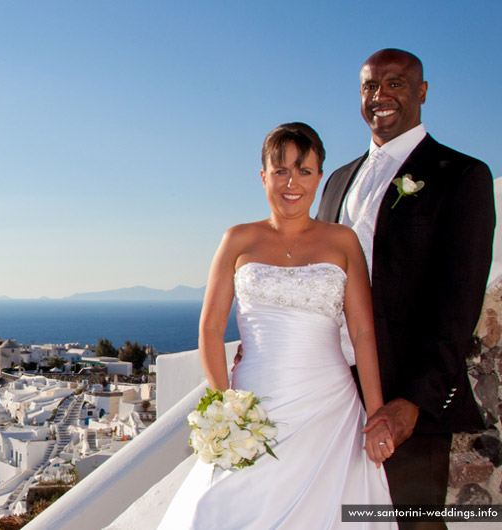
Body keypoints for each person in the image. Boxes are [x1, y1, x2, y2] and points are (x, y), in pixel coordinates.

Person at [157, 122, 395, 529]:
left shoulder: (343, 242)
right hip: (255, 403)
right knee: (222, 507)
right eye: (281, 170)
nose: (292, 182)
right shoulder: (238, 239)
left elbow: (362, 333)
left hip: (330, 409)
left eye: (305, 171)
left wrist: (375, 416)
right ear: (263, 175)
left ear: (320, 177)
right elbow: (211, 329)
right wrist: (224, 406)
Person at [317, 49, 495, 529]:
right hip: (329, 390)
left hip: (405, 395)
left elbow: (458, 305)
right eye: (370, 86)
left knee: (410, 522)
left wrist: (414, 401)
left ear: (422, 93)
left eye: (395, 84)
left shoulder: (460, 176)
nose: (381, 96)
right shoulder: (335, 181)